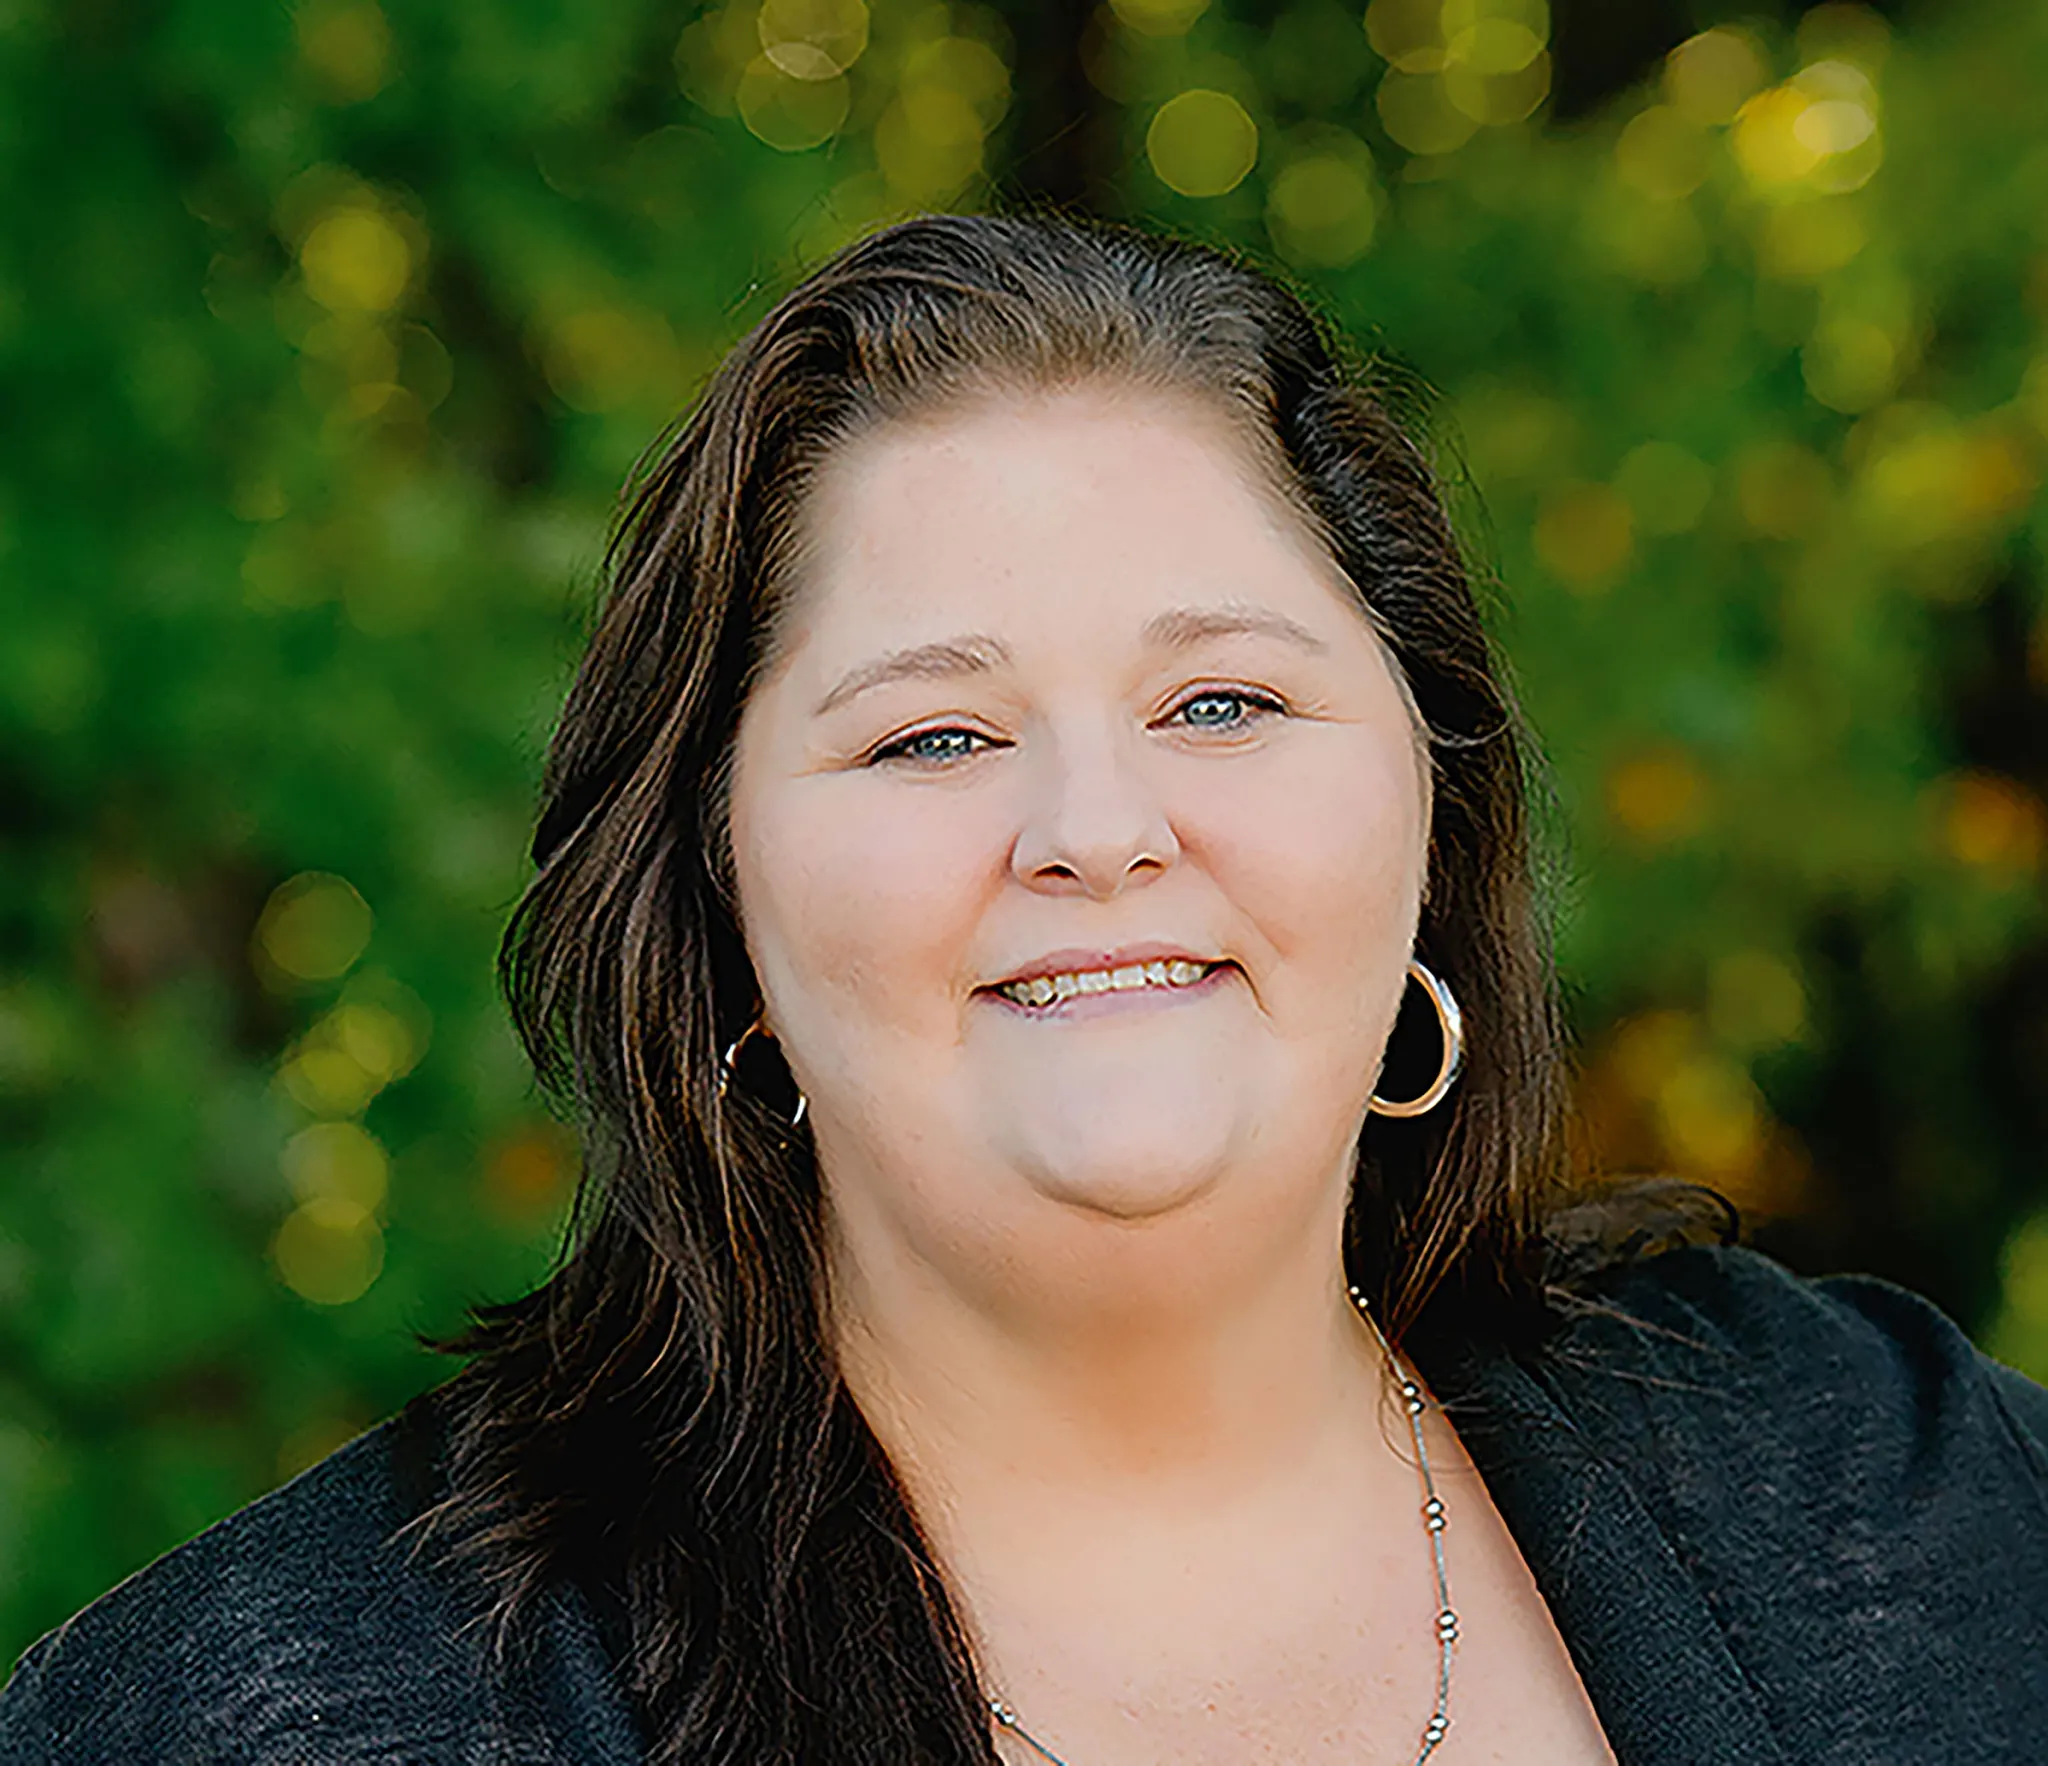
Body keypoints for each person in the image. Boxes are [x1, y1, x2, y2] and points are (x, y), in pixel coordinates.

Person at [4, 213, 2045, 1766]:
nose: (1098, 823)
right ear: (713, 912)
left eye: (1221, 699)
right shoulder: (287, 1704)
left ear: (1433, 816)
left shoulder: (1894, 1485)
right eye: (933, 738)